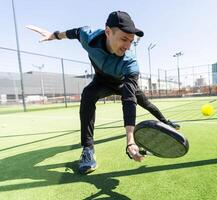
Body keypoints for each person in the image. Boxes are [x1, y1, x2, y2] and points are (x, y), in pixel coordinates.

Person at [26, 11, 180, 174]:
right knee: (88, 94)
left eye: (131, 41)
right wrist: (53, 35)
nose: (128, 46)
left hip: (122, 83)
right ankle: (88, 149)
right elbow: (74, 33)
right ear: (108, 32)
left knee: (146, 103)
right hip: (101, 81)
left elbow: (129, 99)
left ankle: (166, 122)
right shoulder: (89, 37)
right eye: (123, 39)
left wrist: (130, 140)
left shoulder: (131, 62)